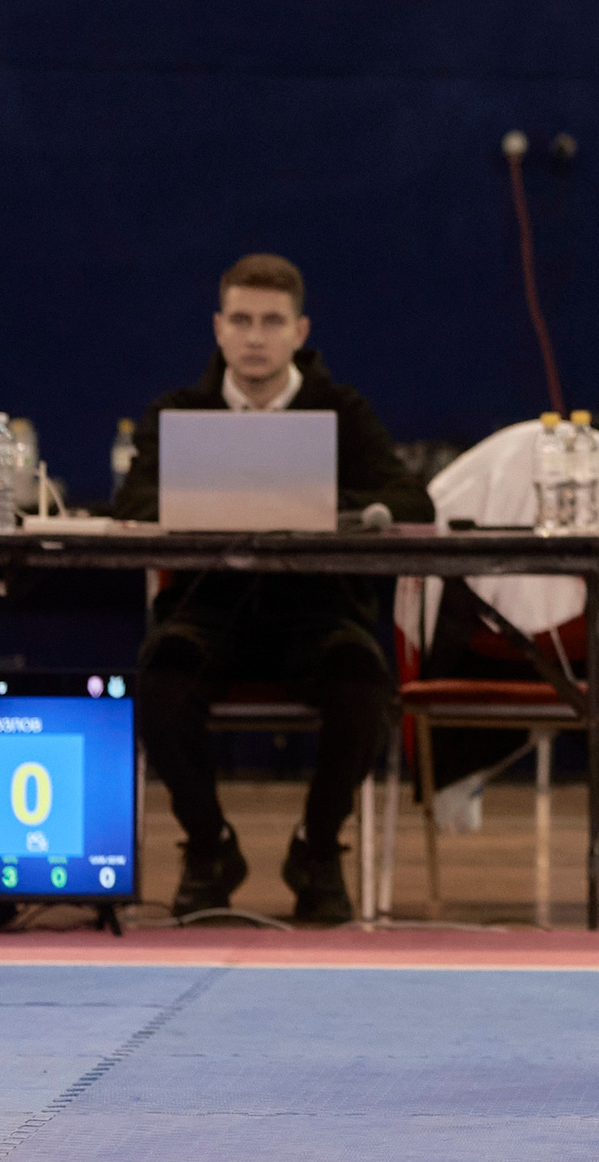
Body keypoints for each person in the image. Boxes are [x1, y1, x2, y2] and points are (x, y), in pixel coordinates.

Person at [114, 252, 429, 923]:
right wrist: (207, 500)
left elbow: (410, 497)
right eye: (242, 319)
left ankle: (317, 849)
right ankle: (208, 847)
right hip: (205, 615)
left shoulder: (344, 411)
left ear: (299, 330)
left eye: (272, 321)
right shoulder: (178, 411)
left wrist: (322, 504)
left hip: (316, 616)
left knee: (362, 684)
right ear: (219, 328)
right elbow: (134, 499)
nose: (255, 336)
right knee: (159, 683)